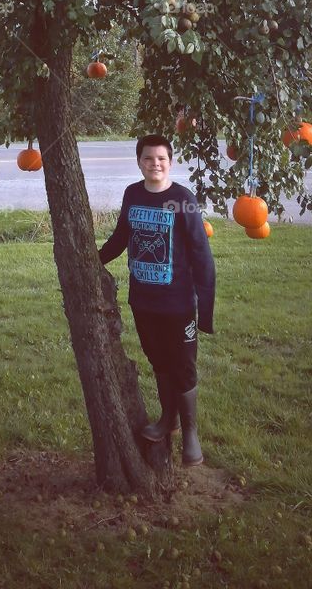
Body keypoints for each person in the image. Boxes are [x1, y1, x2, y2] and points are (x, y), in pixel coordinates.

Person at [97, 133, 216, 466]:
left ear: (171, 162)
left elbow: (202, 255)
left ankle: (190, 433)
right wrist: (94, 260)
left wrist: (203, 310)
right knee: (159, 361)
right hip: (144, 301)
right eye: (148, 158)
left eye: (161, 158)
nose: (155, 164)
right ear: (139, 162)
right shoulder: (133, 194)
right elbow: (122, 236)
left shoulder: (183, 199)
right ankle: (169, 420)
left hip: (178, 304)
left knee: (183, 365)